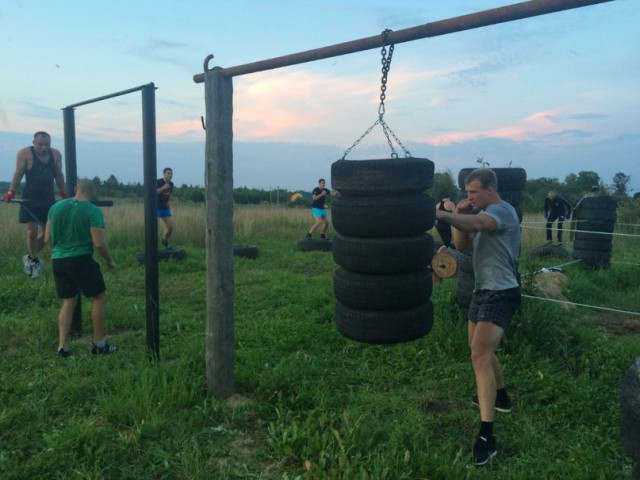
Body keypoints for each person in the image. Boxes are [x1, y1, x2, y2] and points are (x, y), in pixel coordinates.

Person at [435, 168, 521, 466]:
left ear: (489, 189)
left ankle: (487, 436)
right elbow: (462, 245)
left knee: (479, 355)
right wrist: (458, 219)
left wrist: (444, 216)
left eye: (473, 192)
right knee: (479, 347)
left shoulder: (502, 211)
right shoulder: (478, 211)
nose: (468, 197)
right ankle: (502, 398)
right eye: (466, 192)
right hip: (482, 289)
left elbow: (481, 223)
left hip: (502, 291)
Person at [44, 178, 118, 357]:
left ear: (76, 188)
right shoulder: (92, 210)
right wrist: (109, 260)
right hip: (80, 259)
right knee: (99, 296)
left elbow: (46, 239)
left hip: (58, 259)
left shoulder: (55, 207)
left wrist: (58, 252)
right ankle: (99, 344)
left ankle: (63, 347)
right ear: (92, 193)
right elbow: (99, 244)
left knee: (69, 301)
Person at [2, 131, 67, 278]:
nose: (44, 147)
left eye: (47, 145)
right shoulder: (25, 154)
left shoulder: (55, 154)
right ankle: (35, 261)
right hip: (30, 198)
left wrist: (63, 192)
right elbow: (18, 173)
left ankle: (30, 257)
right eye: (40, 144)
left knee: (48, 232)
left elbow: (59, 174)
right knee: (31, 231)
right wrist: (11, 192)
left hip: (48, 199)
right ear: (33, 142)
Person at [157, 167, 175, 249]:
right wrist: (163, 188)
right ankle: (152, 246)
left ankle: (164, 239)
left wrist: (169, 201)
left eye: (171, 174)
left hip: (165, 208)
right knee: (154, 227)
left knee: (170, 227)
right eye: (168, 173)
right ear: (164, 174)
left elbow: (170, 194)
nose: (170, 175)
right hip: (156, 207)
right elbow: (153, 192)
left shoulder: (171, 184)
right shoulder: (158, 182)